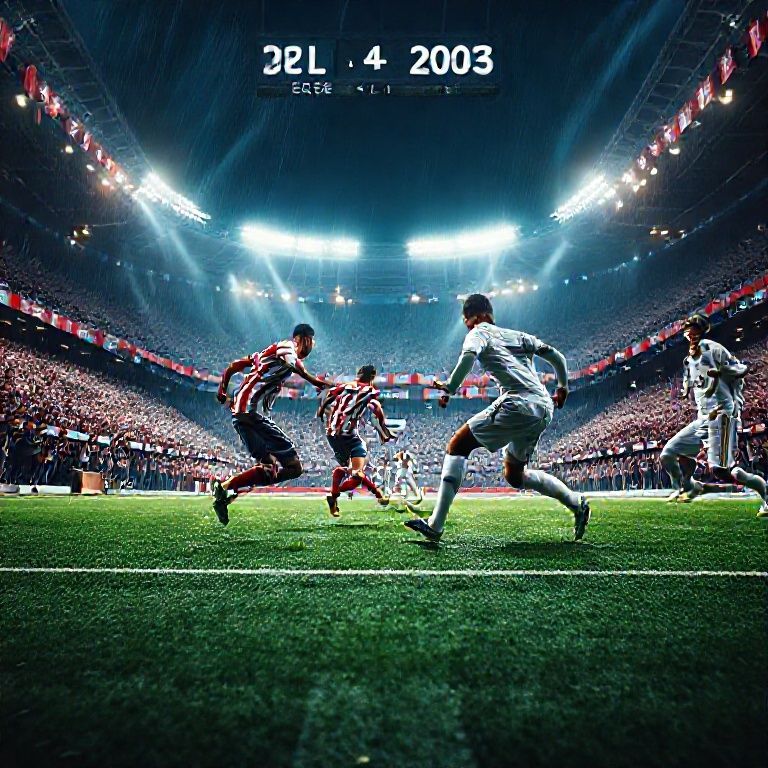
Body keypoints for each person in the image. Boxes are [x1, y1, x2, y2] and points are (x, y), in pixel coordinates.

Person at [404, 293, 590, 542]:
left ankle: (435, 525)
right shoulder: (518, 336)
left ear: (478, 316)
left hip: (518, 402)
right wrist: (562, 387)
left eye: (467, 320)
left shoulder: (479, 332)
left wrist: (450, 387)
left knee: (458, 445)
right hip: (544, 407)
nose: (467, 326)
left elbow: (468, 358)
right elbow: (558, 357)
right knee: (515, 475)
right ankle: (576, 502)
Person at [211, 324, 329, 525]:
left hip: (241, 415)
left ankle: (224, 491)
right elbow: (294, 363)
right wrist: (316, 382)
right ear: (301, 339)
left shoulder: (262, 356)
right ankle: (227, 489)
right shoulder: (287, 346)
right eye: (311, 340)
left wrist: (222, 390)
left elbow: (233, 366)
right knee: (294, 467)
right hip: (251, 412)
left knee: (268, 468)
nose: (312, 345)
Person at [660, 314, 767, 514]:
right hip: (702, 419)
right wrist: (684, 390)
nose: (690, 335)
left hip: (722, 416)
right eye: (688, 331)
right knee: (668, 454)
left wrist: (723, 372)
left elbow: (740, 369)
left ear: (702, 331)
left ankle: (765, 494)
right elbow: (691, 383)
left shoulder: (713, 349)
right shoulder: (688, 361)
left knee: (723, 471)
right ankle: (689, 486)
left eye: (694, 330)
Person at [317, 364, 393, 517]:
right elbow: (375, 407)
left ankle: (335, 498)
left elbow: (330, 395)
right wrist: (384, 431)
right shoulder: (369, 390)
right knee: (357, 473)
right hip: (349, 435)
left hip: (333, 435)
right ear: (373, 377)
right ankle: (376, 494)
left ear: (359, 373)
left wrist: (322, 409)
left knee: (348, 470)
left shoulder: (345, 385)